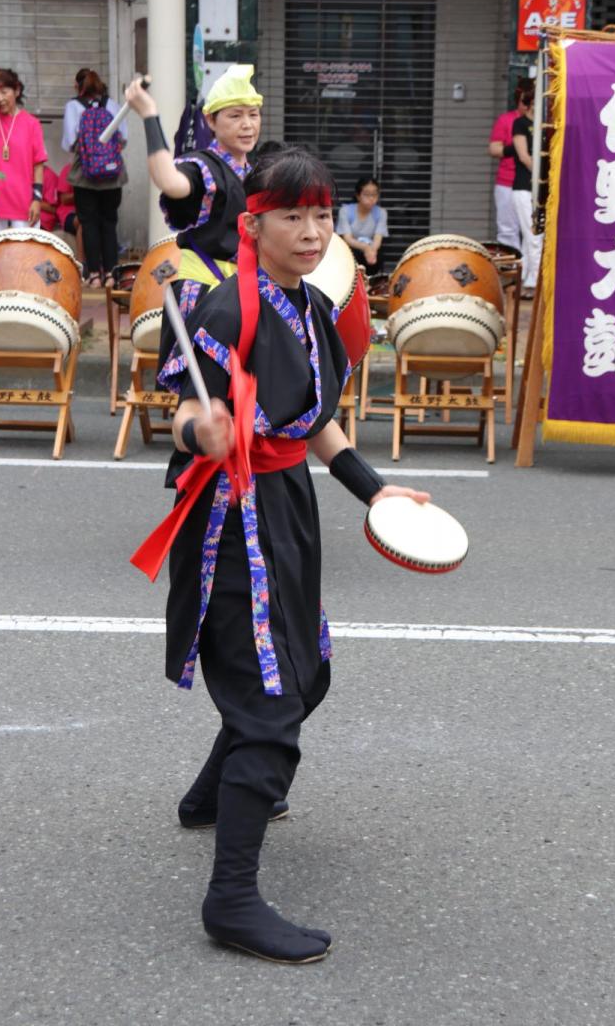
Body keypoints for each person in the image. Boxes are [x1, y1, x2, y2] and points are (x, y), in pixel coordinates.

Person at [133, 138, 429, 964]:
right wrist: (200, 430)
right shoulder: (222, 310)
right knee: (271, 704)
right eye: (291, 216)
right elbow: (182, 408)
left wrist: (376, 490)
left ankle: (209, 797)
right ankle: (229, 900)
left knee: (308, 671)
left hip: (287, 506)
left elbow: (315, 422)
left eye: (321, 215)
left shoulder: (308, 306)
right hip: (233, 518)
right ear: (252, 224)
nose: (311, 231)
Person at [124, 65, 262, 372]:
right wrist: (149, 116)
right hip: (204, 294)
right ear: (211, 120)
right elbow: (169, 181)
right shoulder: (203, 166)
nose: (247, 125)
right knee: (203, 387)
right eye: (235, 115)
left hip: (242, 292)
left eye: (253, 115)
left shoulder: (254, 173)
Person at [62, 68, 127, 288]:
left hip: (84, 175)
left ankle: (94, 276)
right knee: (109, 222)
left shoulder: (73, 107)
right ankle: (111, 274)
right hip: (112, 175)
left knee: (88, 224)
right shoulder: (112, 105)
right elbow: (124, 138)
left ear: (77, 86)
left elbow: (69, 142)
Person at [0, 68, 47, 239]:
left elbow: (38, 165)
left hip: (23, 203)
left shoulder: (32, 123)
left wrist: (37, 199)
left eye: (4, 92)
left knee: (24, 253)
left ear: (17, 91)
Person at [488, 80, 533, 252]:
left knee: (532, 231)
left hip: (530, 183)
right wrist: (516, 146)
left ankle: (529, 266)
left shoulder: (540, 121)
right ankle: (511, 265)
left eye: (530, 102)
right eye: (524, 102)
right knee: (507, 230)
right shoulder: (506, 120)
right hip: (507, 182)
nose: (527, 107)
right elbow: (494, 148)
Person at [511, 88, 542, 297]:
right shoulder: (521, 124)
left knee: (530, 237)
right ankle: (535, 282)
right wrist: (540, 176)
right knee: (534, 235)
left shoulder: (544, 124)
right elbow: (523, 156)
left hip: (537, 188)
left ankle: (526, 278)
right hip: (524, 186)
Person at [336, 176, 387, 275]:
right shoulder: (345, 211)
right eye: (367, 194)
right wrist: (365, 248)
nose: (371, 198)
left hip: (371, 250)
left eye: (374, 194)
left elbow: (378, 239)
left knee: (378, 257)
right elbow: (348, 239)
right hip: (352, 249)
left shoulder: (381, 213)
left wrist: (372, 251)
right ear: (358, 195)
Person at [40, 162, 81, 258]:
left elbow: (54, 209)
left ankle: (82, 262)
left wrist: (32, 203)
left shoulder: (48, 175)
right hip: (27, 218)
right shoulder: (69, 169)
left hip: (43, 222)